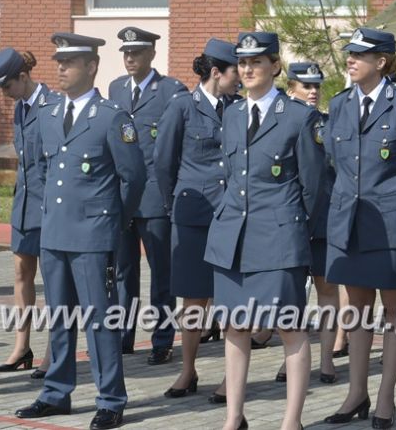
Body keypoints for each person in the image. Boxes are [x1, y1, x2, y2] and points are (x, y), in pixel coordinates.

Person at [14, 33, 145, 430]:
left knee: (99, 320)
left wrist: (113, 222)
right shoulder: (49, 115)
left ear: (91, 67)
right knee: (60, 317)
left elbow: (134, 178)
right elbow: (42, 171)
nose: (61, 68)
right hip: (53, 233)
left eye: (70, 62)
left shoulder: (110, 117)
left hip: (93, 235)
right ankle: (56, 393)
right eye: (59, 61)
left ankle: (110, 400)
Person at [204, 31, 325, 430]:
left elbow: (312, 186)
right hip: (233, 239)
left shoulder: (298, 116)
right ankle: (233, 416)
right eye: (242, 63)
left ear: (275, 66)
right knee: (235, 328)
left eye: (257, 62)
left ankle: (291, 421)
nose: (248, 69)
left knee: (289, 328)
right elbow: (229, 174)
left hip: (278, 238)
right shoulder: (232, 113)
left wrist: (288, 226)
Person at [323, 28, 396, 429]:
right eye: (349, 53)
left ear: (382, 62)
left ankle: (385, 396)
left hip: (391, 223)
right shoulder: (339, 105)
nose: (350, 60)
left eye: (359, 54)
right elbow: (335, 160)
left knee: (393, 310)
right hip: (351, 221)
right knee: (355, 310)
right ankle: (356, 392)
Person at [153, 38, 239, 399]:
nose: (241, 78)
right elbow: (163, 163)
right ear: (216, 72)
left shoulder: (238, 108)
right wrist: (175, 207)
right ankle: (188, 371)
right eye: (236, 72)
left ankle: (230, 377)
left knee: (231, 301)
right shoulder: (182, 108)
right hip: (192, 217)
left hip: (230, 216)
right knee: (193, 302)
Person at [109, 26, 187, 364]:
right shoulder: (114, 89)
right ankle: (124, 335)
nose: (130, 58)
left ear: (152, 54)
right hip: (123, 197)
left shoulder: (170, 91)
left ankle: (162, 338)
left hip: (156, 197)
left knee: (162, 273)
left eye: (137, 52)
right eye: (126, 52)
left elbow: (176, 148)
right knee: (123, 271)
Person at [265, 62, 341, 385]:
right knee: (291, 295)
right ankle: (291, 360)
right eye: (305, 85)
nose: (312, 91)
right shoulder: (277, 119)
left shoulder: (324, 123)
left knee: (326, 290)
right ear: (290, 86)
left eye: (316, 86)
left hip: (321, 217)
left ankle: (326, 359)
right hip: (287, 221)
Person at [0, 48, 52, 378]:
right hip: (25, 205)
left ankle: (54, 353)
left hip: (50, 208)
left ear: (23, 77)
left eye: (6, 86)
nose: (4, 93)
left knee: (55, 284)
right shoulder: (21, 109)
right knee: (21, 276)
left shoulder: (52, 107)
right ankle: (21, 346)